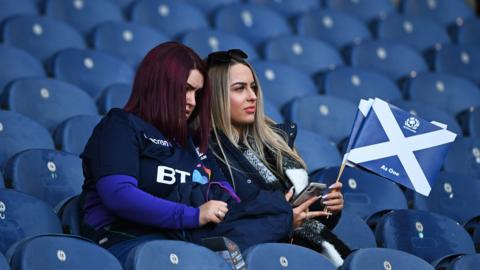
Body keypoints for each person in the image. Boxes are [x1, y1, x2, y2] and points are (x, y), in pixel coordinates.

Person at [79, 42, 293, 264]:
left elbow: (230, 202)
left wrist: (279, 210)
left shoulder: (193, 142)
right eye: (186, 89)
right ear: (159, 85)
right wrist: (193, 215)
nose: (192, 101)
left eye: (198, 93)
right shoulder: (121, 126)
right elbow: (119, 196)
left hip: (188, 243)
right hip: (125, 240)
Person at [207, 49, 351, 266]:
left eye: (253, 87)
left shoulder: (274, 142)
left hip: (308, 251)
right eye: (240, 89)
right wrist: (283, 217)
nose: (252, 96)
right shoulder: (206, 151)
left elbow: (300, 215)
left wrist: (326, 207)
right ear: (216, 96)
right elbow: (230, 224)